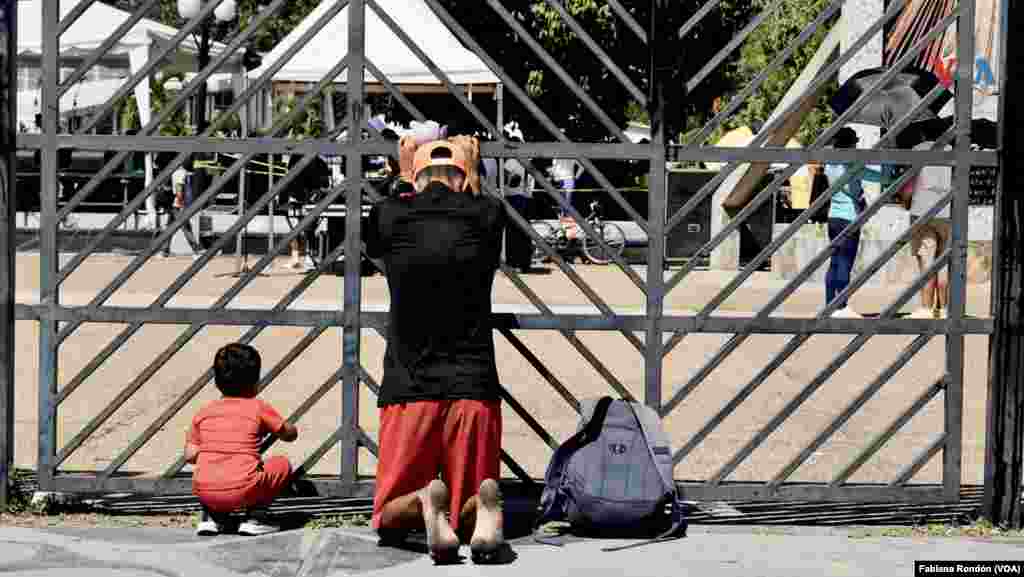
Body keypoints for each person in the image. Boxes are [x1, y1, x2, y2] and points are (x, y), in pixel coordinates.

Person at [365, 135, 506, 564]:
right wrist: (476, 173)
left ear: (414, 175)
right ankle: (480, 514)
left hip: (410, 388)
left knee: (388, 515)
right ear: (466, 177)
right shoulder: (487, 214)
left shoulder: (390, 214)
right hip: (474, 385)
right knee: (469, 491)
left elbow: (373, 243)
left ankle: (426, 501)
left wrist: (403, 176)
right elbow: (485, 206)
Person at [185, 343, 299, 536]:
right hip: (243, 490)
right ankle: (256, 517)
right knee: (281, 464)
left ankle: (211, 517)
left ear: (216, 380)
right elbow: (290, 435)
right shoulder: (258, 407)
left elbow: (190, 456)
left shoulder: (203, 412)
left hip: (204, 489)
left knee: (211, 468)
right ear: (256, 381)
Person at [823, 127, 873, 318]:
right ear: (851, 143)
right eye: (855, 142)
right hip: (850, 218)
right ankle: (842, 307)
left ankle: (829, 304)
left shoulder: (830, 163)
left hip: (833, 216)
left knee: (834, 262)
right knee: (846, 262)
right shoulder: (852, 165)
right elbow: (876, 178)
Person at [907, 140, 953, 319]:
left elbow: (910, 180)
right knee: (943, 263)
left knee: (927, 261)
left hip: (922, 210)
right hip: (947, 210)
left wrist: (905, 200)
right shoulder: (951, 149)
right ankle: (944, 308)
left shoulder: (917, 148)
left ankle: (926, 308)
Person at [503, 134, 537, 272]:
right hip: (526, 198)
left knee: (512, 232)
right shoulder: (527, 162)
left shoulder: (510, 162)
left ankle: (514, 262)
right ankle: (524, 262)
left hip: (512, 197)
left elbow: (508, 181)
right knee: (524, 232)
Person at [164, 159, 205, 258]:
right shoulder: (180, 173)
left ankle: (164, 251)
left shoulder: (177, 172)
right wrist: (181, 204)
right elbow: (179, 188)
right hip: (178, 205)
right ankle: (197, 250)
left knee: (169, 228)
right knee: (186, 228)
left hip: (175, 205)